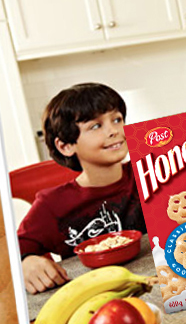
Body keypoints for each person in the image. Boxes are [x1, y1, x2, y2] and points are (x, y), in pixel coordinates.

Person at [17, 83, 146, 294]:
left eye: (117, 119)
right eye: (95, 126)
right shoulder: (52, 205)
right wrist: (25, 263)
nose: (114, 130)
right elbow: (8, 257)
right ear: (66, 146)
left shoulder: (152, 171)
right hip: (96, 297)